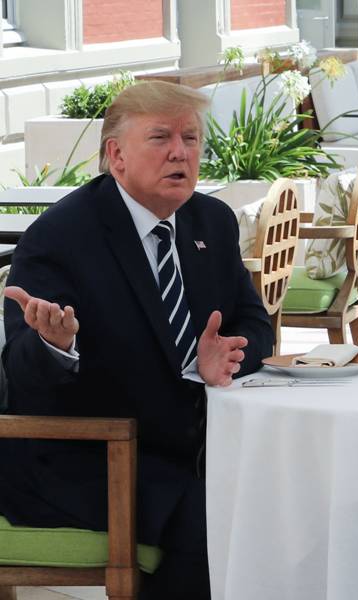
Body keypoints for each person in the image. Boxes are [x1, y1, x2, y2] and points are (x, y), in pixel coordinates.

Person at [0, 81, 274, 599]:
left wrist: (225, 357)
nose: (180, 152)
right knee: (212, 516)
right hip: (87, 457)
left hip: (197, 443)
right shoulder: (60, 237)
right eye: (160, 137)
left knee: (291, 493)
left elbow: (256, 324)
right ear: (117, 155)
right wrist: (55, 345)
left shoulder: (211, 221)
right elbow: (23, 379)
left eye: (191, 138)